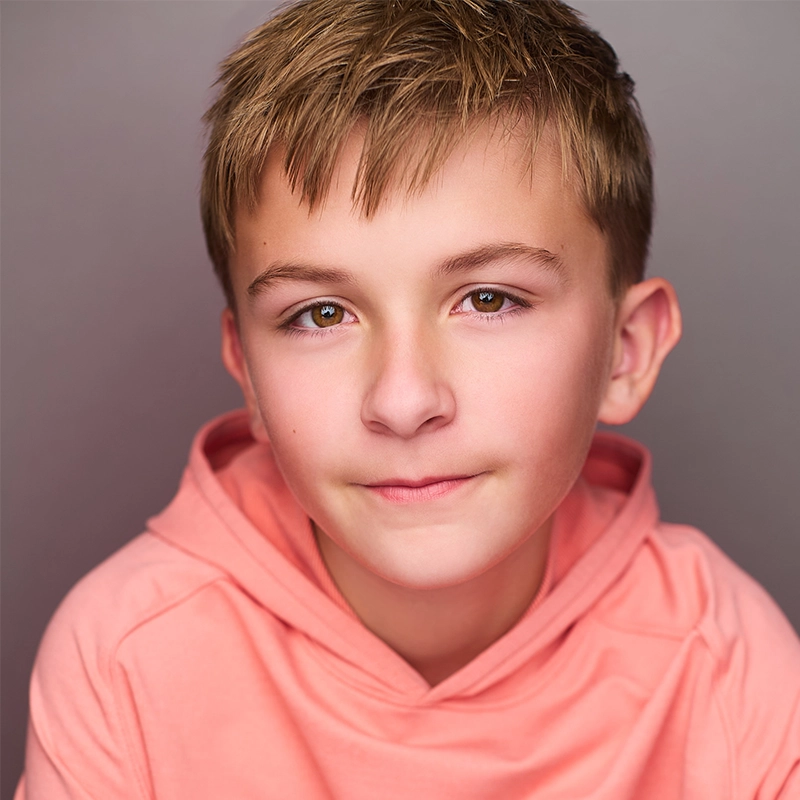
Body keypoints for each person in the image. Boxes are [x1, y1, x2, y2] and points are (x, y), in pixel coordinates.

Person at [15, 0, 800, 797]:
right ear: (248, 373)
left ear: (625, 353)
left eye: (489, 300)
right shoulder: (125, 656)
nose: (402, 400)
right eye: (321, 314)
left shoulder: (728, 666)